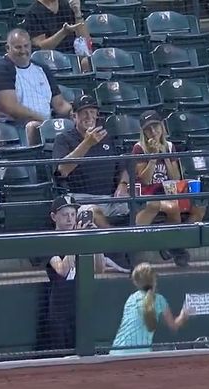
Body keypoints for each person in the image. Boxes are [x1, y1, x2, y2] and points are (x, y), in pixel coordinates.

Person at [52, 94, 132, 273]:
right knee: (92, 211)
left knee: (143, 206)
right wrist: (87, 143)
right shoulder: (64, 139)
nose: (89, 117)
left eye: (92, 112)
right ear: (74, 117)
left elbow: (123, 166)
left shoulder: (107, 137)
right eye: (84, 113)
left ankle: (135, 251)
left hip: (110, 198)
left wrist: (123, 185)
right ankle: (117, 254)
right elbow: (62, 170)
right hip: (78, 199)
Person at [132, 110, 207, 267]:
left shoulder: (170, 146)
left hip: (169, 190)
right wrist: (152, 157)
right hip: (149, 194)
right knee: (173, 207)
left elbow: (175, 177)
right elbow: (145, 180)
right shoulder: (139, 148)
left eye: (156, 127)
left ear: (162, 126)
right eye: (148, 129)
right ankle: (177, 248)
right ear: (143, 132)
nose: (153, 132)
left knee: (200, 208)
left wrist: (164, 154)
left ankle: (171, 245)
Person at [40, 194, 106, 350]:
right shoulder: (48, 239)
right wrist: (77, 240)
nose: (70, 219)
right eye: (64, 215)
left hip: (81, 303)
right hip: (59, 306)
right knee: (60, 355)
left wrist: (93, 239)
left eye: (72, 215)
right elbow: (61, 270)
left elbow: (100, 268)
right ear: (53, 217)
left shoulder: (81, 236)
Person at [0, 29, 72, 146]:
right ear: (8, 48)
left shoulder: (42, 69)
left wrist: (75, 112)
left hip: (45, 125)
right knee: (33, 126)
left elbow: (59, 105)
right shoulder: (1, 69)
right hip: (16, 129)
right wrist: (44, 121)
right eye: (18, 47)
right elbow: (9, 107)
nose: (23, 51)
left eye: (26, 46)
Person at [110, 262, 188, 355]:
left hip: (116, 352)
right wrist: (184, 313)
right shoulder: (159, 300)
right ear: (154, 280)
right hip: (140, 354)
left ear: (136, 282)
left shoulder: (131, 299)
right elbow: (174, 326)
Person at [24, 0, 92, 70]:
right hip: (49, 59)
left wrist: (77, 13)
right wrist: (63, 32)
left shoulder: (67, 5)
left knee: (87, 62)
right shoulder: (33, 12)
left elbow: (86, 40)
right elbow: (41, 48)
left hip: (73, 56)